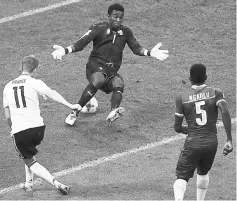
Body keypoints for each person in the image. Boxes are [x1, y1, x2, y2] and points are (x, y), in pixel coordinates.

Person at [51, 3, 169, 125]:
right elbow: (81, 43)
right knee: (99, 79)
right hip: (94, 66)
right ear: (108, 16)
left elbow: (136, 48)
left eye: (121, 17)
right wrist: (64, 50)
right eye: (115, 16)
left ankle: (113, 111)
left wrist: (150, 53)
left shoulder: (126, 32)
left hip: (111, 71)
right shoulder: (99, 28)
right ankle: (74, 112)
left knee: (119, 83)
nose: (118, 19)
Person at [3, 55, 80, 195]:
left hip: (20, 131)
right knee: (28, 151)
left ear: (21, 67)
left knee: (29, 159)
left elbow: (7, 116)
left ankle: (56, 183)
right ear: (35, 69)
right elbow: (51, 93)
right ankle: (29, 183)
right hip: (39, 129)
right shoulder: (34, 82)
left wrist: (12, 129)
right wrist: (70, 105)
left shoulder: (7, 87)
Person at [173, 64, 233, 201]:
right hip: (211, 143)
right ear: (206, 77)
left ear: (189, 78)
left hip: (193, 142)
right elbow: (224, 111)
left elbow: (177, 127)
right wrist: (229, 140)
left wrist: (186, 129)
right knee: (203, 172)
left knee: (181, 178)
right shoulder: (216, 93)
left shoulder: (182, 97)